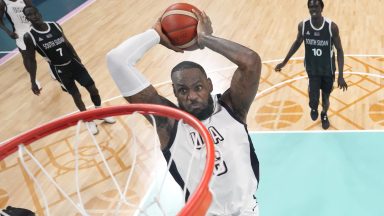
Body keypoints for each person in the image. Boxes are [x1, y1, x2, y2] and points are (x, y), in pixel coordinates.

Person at [107, 9, 262, 215]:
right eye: (183, 90)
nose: (191, 96)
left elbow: (251, 61)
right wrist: (155, 35)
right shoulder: (169, 124)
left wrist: (206, 39)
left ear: (208, 84)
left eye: (197, 87)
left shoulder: (232, 107)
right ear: (175, 93)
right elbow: (116, 61)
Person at [22, 5, 115, 134]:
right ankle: (88, 120)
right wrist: (33, 81)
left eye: (35, 13)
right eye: (30, 15)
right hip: (60, 70)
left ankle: (99, 112)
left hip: (74, 63)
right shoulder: (29, 37)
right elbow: (31, 60)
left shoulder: (54, 25)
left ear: (39, 13)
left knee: (93, 88)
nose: (34, 16)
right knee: (76, 95)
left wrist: (78, 59)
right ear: (27, 18)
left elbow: (67, 43)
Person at [275, 0, 348, 130]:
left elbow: (340, 50)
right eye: (311, 6)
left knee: (325, 99)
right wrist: (284, 62)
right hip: (312, 69)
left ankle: (324, 114)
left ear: (322, 8)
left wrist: (341, 75)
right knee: (314, 99)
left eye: (316, 6)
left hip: (328, 70)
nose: (313, 9)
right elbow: (297, 43)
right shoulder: (303, 26)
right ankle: (313, 106)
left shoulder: (331, 27)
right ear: (308, 8)